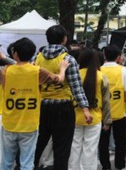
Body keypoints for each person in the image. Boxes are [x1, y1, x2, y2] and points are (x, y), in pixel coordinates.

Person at [1, 38, 67, 170]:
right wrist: (62, 68)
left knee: (6, 162)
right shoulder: (38, 72)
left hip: (9, 123)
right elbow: (59, 80)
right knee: (27, 162)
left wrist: (3, 58)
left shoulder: (5, 71)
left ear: (14, 53)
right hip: (30, 124)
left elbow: (16, 66)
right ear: (33, 54)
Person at [34, 25, 92, 170]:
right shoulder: (68, 60)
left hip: (41, 107)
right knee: (62, 148)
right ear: (64, 39)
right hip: (63, 108)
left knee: (37, 145)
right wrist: (85, 109)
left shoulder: (37, 59)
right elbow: (76, 87)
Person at [69, 47, 112, 170]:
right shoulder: (101, 76)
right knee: (90, 150)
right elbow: (106, 101)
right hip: (94, 117)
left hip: (75, 116)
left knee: (74, 148)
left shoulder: (75, 74)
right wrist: (107, 120)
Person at [99, 44, 126, 170]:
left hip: (103, 113)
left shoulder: (99, 69)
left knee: (103, 142)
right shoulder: (123, 70)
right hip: (119, 112)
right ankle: (120, 165)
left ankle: (105, 166)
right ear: (119, 57)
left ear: (104, 55)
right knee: (120, 141)